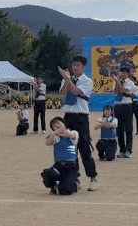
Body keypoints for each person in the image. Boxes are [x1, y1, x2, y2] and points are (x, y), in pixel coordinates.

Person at [58, 55, 98, 191]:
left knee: (84, 148)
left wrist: (68, 79)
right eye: (73, 64)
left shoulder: (87, 81)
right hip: (68, 116)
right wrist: (66, 80)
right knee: (70, 148)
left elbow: (76, 91)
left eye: (78, 65)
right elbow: (63, 92)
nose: (75, 67)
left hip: (81, 117)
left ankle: (93, 178)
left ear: (83, 67)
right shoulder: (67, 79)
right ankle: (75, 177)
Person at [41, 117, 80, 195]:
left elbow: (71, 135)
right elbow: (48, 143)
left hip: (70, 166)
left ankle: (72, 184)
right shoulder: (56, 137)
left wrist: (62, 131)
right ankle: (53, 186)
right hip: (58, 166)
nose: (57, 125)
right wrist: (54, 133)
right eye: (54, 126)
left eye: (58, 123)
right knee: (47, 174)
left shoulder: (73, 132)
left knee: (65, 190)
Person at [113, 65, 138, 158]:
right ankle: (122, 150)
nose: (122, 74)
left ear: (128, 74)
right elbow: (116, 91)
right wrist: (117, 83)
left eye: (124, 73)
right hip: (117, 105)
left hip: (127, 106)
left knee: (128, 128)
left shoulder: (130, 83)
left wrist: (118, 82)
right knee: (118, 129)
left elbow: (123, 90)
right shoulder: (117, 81)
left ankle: (128, 150)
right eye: (121, 72)